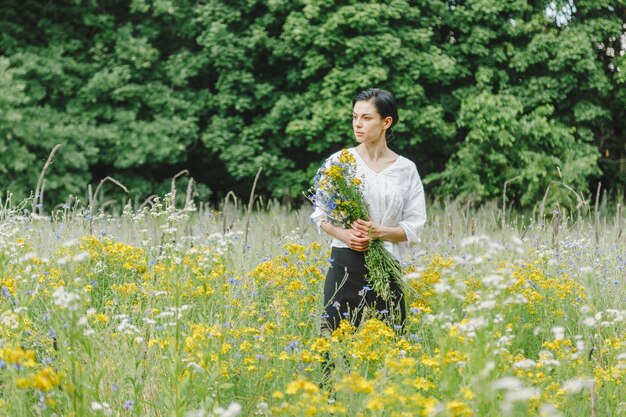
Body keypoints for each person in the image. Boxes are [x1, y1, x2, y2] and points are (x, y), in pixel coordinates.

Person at [311, 88, 427, 336]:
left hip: (387, 265)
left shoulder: (406, 170)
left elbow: (414, 227)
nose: (358, 124)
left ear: (386, 122)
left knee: (393, 342)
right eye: (354, 117)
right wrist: (345, 236)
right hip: (344, 262)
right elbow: (320, 214)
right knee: (333, 342)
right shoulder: (339, 162)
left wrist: (379, 232)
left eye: (366, 118)